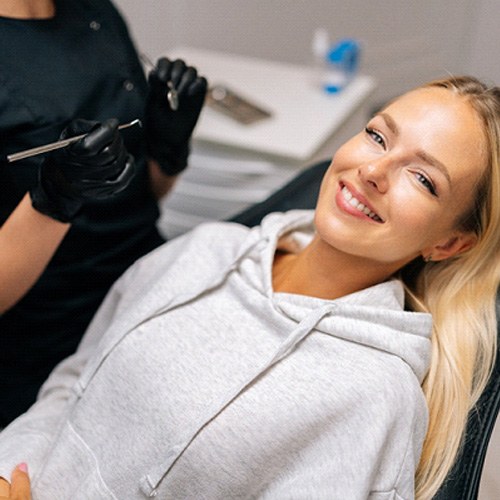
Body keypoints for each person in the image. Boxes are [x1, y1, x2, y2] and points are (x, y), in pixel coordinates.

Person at [0, 75, 498, 500]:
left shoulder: (374, 398)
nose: (372, 171)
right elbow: (72, 384)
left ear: (449, 243)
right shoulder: (209, 249)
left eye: (422, 178)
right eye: (377, 137)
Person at [0, 0, 207, 425]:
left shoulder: (96, 14)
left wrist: (169, 145)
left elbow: (142, 197)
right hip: (48, 338)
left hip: (148, 284)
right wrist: (53, 199)